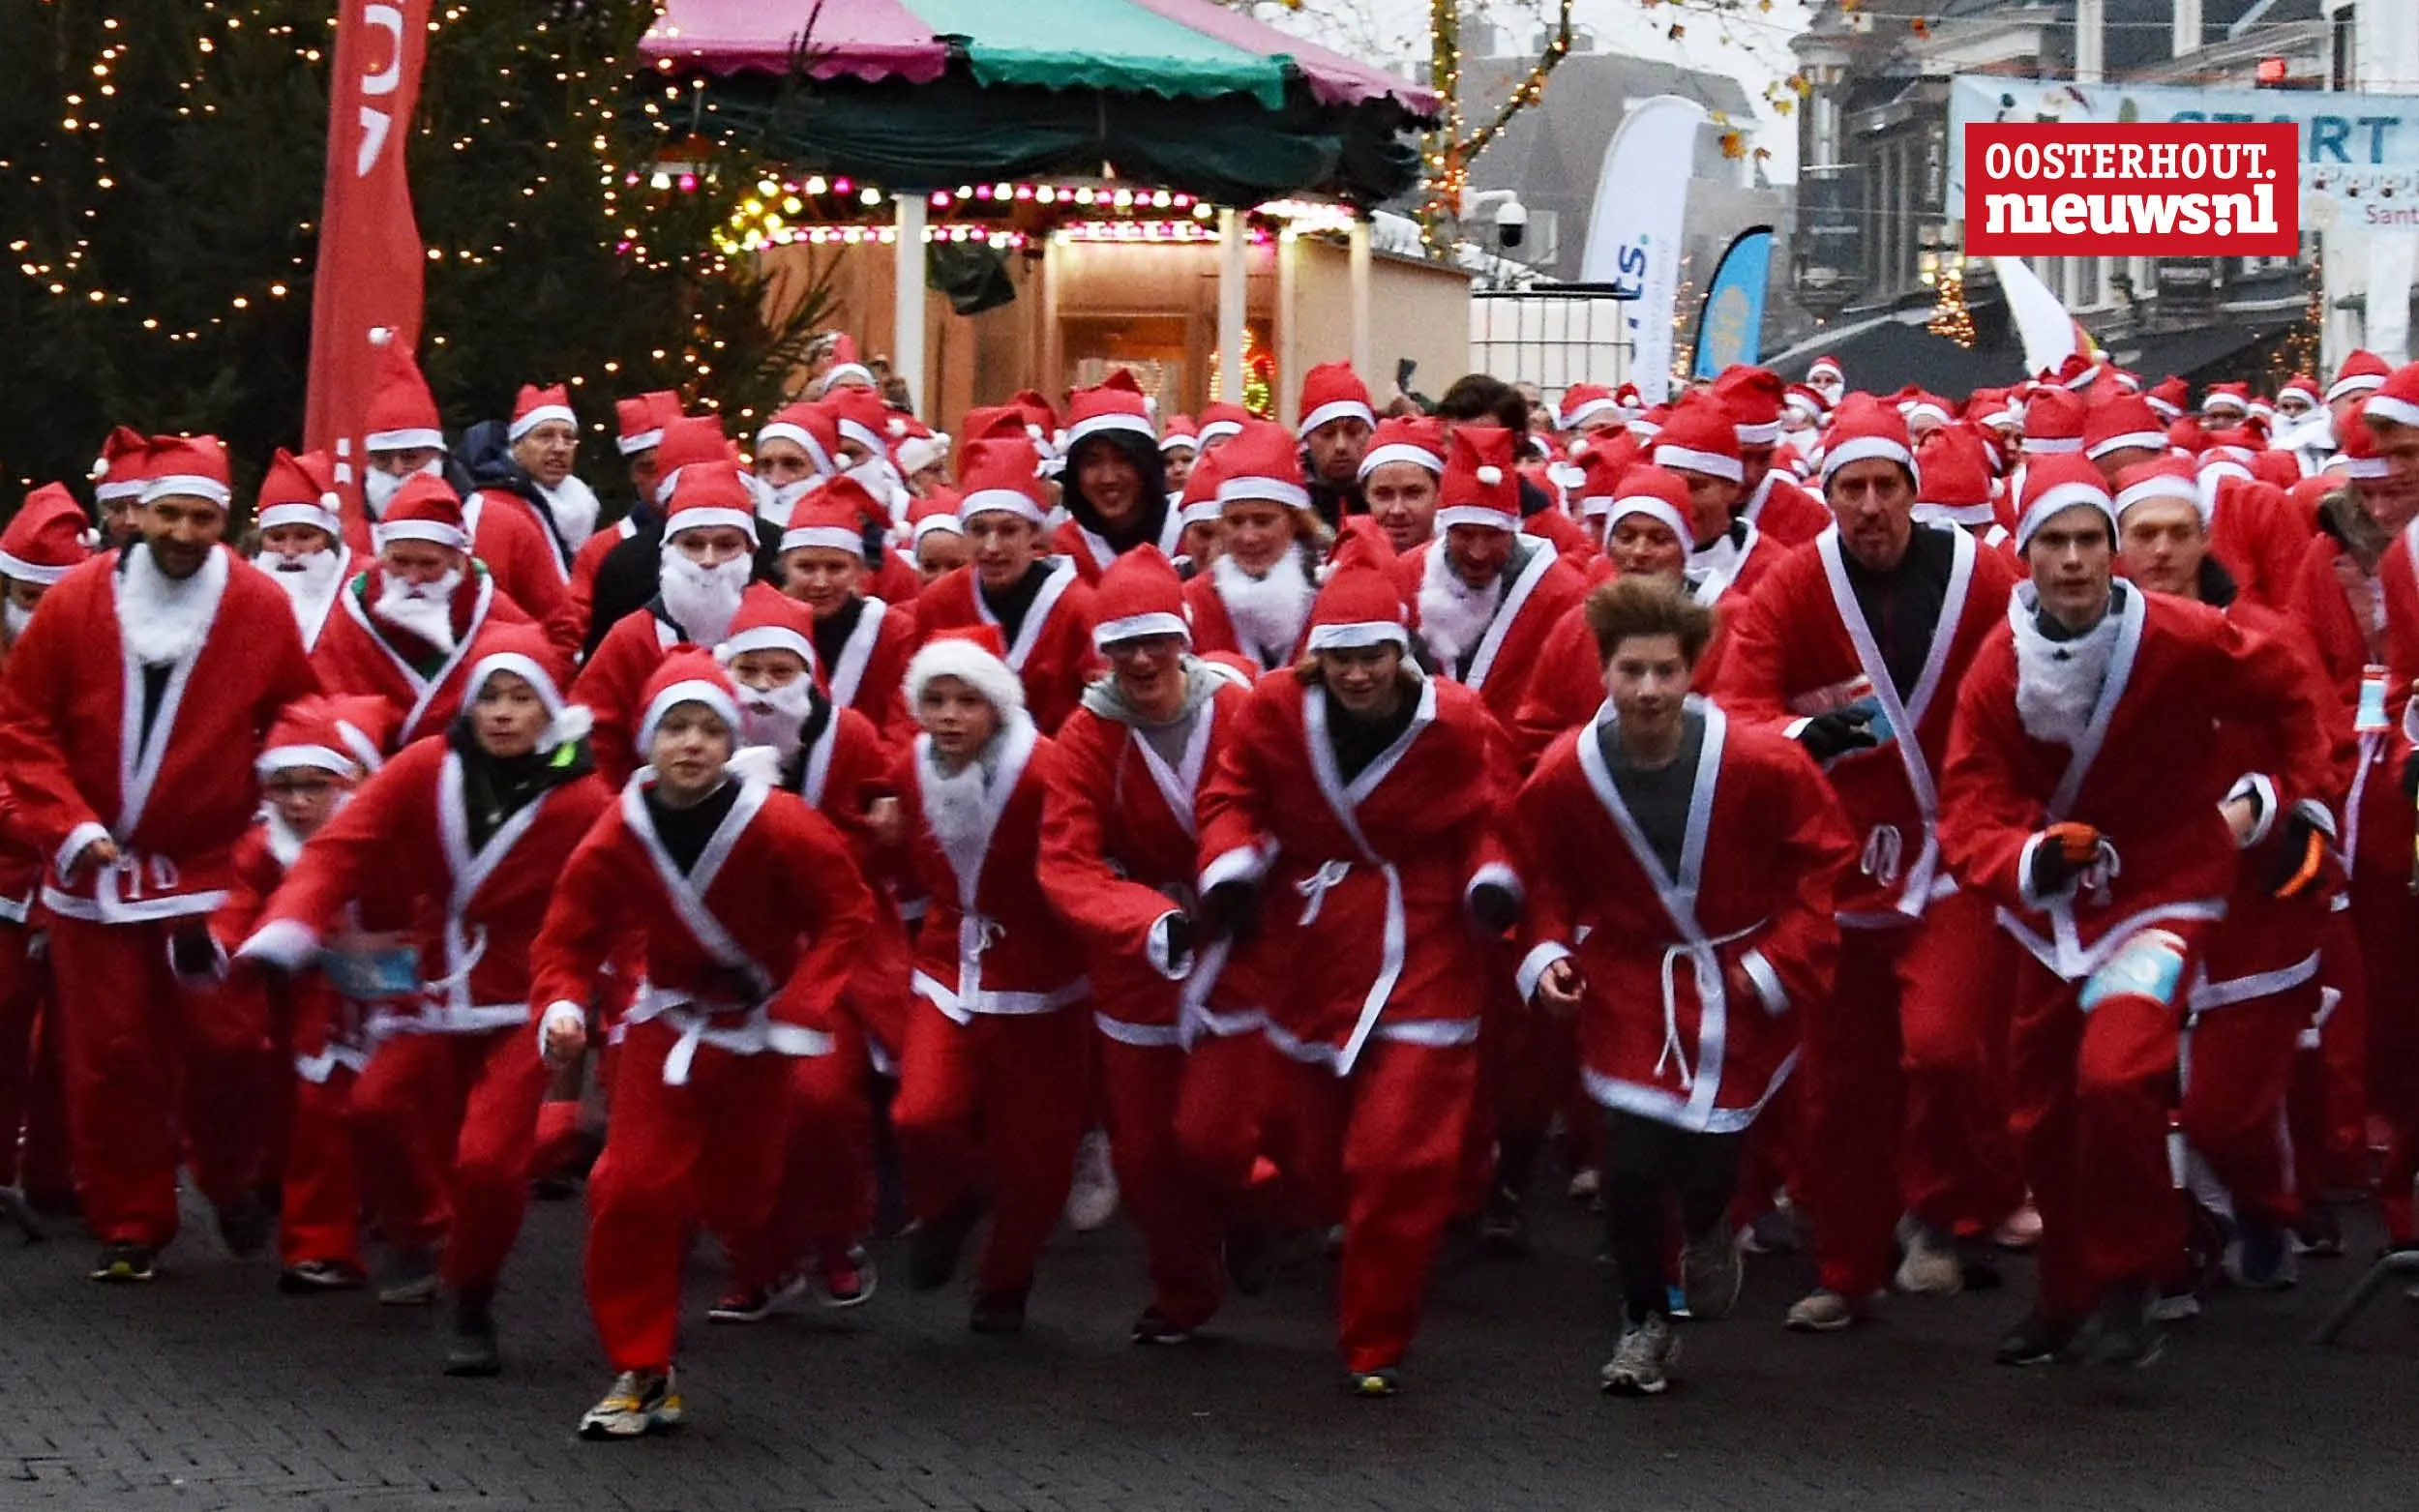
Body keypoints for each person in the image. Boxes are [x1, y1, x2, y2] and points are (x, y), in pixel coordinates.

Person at [1937, 454, 2337, 1367]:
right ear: (2025, 554)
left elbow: (2291, 688)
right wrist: (2027, 857)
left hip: (2163, 892)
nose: (2074, 561)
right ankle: (2066, 1291)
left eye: (2089, 542)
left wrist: (2290, 798)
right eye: (2054, 543)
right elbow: (1971, 801)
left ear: (2110, 553)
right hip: (2050, 913)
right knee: (2037, 1116)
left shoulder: (2185, 633)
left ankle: (2133, 1271)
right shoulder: (2000, 663)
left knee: (2117, 1077)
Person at [1713, 394, 2025, 1331]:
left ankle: (1947, 1205)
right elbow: (1738, 712)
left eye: (1887, 486)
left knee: (1944, 1044)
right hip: (1842, 865)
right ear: (1828, 495)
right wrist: (1833, 727)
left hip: (1955, 849)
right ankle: (1847, 1268)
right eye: (1851, 488)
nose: (1870, 506)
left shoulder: (1980, 576)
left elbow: (2034, 681)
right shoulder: (1791, 586)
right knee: (1842, 1082)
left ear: (1913, 491)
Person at [1517, 575, 1852, 1395]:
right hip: (1634, 978)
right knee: (1631, 1169)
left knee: (1708, 1165)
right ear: (1603, 671)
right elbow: (1541, 872)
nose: (1649, 690)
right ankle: (1643, 1322)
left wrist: (1778, 957)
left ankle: (1709, 1227)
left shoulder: (1761, 760)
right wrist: (1548, 951)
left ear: (1694, 670)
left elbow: (1823, 859)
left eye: (1666, 670)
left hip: (1737, 977)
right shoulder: (1568, 770)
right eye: (1631, 670)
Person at [241, 628, 609, 1373]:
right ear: (469, 706)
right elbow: (342, 847)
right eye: (491, 699)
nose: (504, 714)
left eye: (522, 699)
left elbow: (617, 899)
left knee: (489, 1162)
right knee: (373, 1103)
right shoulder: (423, 768)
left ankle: (471, 1294)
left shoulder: (585, 798)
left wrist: (605, 999)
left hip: (522, 998)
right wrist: (286, 927)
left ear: (550, 710)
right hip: (432, 983)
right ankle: (415, 1228)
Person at [527, 651, 874, 1439]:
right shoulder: (622, 826)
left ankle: (787, 1247)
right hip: (671, 1021)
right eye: (674, 727)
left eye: (708, 728)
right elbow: (568, 934)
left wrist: (804, 1002)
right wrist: (561, 1005)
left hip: (761, 1030)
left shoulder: (781, 821)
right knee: (628, 1185)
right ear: (648, 740)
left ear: (731, 740)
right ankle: (645, 1370)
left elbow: (845, 914)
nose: (690, 744)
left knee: (740, 1194)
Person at [0, 433, 318, 1282]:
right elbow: (23, 724)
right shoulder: (73, 603)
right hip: (90, 872)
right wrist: (65, 823)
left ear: (226, 521)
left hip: (207, 867)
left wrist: (272, 816)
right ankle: (132, 1220)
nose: (183, 530)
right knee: (109, 1053)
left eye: (202, 515)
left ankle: (231, 1178)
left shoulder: (258, 606)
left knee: (228, 1040)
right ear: (137, 512)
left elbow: (297, 717)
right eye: (170, 512)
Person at [1194, 562, 1517, 1397]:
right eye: (1341, 657)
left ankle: (1375, 1338)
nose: (1359, 672)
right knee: (1302, 1145)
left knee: (1398, 1156)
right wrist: (1229, 867)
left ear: (1403, 651)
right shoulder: (1272, 712)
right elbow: (1232, 796)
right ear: (1317, 661)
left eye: (1375, 653)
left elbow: (1492, 815)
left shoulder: (1458, 720)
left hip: (1428, 940)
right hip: (1315, 937)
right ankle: (1274, 1215)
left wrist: (1490, 880)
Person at [2113, 455, 2346, 1283]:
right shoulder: (2097, 644)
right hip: (2142, 902)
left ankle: (2262, 1202)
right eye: (2146, 534)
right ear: (2119, 545)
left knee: (2219, 1111)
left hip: (2253, 910)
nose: (2164, 550)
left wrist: (2270, 806)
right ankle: (2172, 1241)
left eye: (2179, 533)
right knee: (2126, 1086)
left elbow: (2321, 759)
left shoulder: (2267, 637)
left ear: (2206, 539)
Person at [1038, 548, 1259, 1343]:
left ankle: (1256, 1220)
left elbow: (1287, 805)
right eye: (1122, 644)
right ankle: (1183, 1288)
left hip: (1238, 941)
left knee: (1220, 1135)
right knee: (1144, 1158)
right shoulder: (1086, 736)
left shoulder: (1240, 711)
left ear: (1184, 638)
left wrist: (1247, 883)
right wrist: (1145, 917)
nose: (1139, 659)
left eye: (1155, 639)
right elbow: (1065, 860)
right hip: (1141, 958)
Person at [706, 588, 907, 1319]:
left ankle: (836, 1237)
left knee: (821, 1103)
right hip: (729, 955)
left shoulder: (846, 734)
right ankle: (759, 1258)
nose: (761, 687)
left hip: (833, 953)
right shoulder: (701, 733)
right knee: (733, 1116)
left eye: (777, 669)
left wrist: (882, 824)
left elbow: (881, 812)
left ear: (807, 672)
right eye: (748, 669)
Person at [889, 626, 1091, 1334]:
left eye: (966, 701)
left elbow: (1084, 858)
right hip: (950, 962)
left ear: (997, 707)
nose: (947, 716)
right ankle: (948, 1202)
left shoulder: (1046, 770)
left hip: (1044, 979)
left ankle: (1005, 1280)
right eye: (935, 700)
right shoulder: (910, 765)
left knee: (1036, 1162)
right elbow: (897, 844)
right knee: (921, 1113)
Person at [208, 695, 397, 1294]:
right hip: (283, 1000)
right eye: (283, 787)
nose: (297, 802)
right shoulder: (262, 849)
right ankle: (310, 1231)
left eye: (314, 786)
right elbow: (233, 909)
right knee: (295, 1111)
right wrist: (213, 944)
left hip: (381, 995)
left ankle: (340, 1231)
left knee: (350, 1111)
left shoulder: (388, 836)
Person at [0, 483, 94, 1229]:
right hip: (10, 876)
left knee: (78, 1033)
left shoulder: (104, 657)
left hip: (80, 874)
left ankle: (58, 1174)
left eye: (45, 596)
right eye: (21, 595)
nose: (32, 611)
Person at [359, 343, 574, 643]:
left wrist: (523, 680)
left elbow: (562, 629)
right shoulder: (349, 537)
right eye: (383, 459)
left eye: (410, 457)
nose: (397, 470)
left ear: (438, 457)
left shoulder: (507, 525)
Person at [573, 460, 765, 785]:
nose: (708, 560)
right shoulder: (632, 636)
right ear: (669, 550)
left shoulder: (779, 629)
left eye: (726, 545)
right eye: (692, 544)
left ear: (750, 550)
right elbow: (593, 739)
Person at [311, 475, 536, 752]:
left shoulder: (496, 613)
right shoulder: (350, 615)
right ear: (383, 556)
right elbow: (325, 704)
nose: (413, 577)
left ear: (457, 560)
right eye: (400, 562)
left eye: (429, 564)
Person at [912, 440, 1099, 734]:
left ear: (1035, 533)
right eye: (979, 530)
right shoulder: (940, 602)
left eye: (1008, 530)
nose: (992, 547)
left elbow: (1097, 714)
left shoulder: (1077, 607)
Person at [776, 484, 918, 740]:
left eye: (835, 567)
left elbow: (905, 731)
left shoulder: (896, 634)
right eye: (806, 567)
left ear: (859, 570)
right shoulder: (764, 628)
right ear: (785, 566)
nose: (820, 582)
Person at [1183, 421, 1323, 672]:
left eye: (1263, 521)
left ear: (1296, 523)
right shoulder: (1195, 600)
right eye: (1235, 522)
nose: (1248, 537)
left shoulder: (1325, 592)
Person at [1053, 371, 1179, 580]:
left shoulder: (1191, 536)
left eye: (1123, 459)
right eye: (1092, 462)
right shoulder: (1063, 551)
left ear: (1145, 464)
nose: (1108, 478)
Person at [252, 449, 352, 651]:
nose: (289, 552)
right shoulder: (234, 594)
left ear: (329, 539)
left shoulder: (358, 595)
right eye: (276, 538)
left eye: (305, 537)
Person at [1299, 362, 1378, 528]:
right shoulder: (1291, 504)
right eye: (1327, 434)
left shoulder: (1392, 497)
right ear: (1307, 439)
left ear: (1371, 433)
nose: (1340, 446)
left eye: (1353, 432)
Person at [1359, 416, 1447, 555]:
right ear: (1365, 495)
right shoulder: (1342, 566)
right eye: (1383, 495)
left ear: (1440, 493)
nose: (1397, 510)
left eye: (1413, 493)